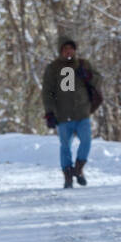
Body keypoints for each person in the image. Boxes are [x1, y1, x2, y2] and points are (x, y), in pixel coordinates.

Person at [41, 38, 101, 188]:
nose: (69, 51)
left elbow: (98, 80)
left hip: (82, 112)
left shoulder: (83, 64)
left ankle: (78, 168)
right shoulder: (53, 68)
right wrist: (49, 112)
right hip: (62, 114)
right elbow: (47, 92)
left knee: (86, 141)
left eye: (71, 48)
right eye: (65, 49)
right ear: (60, 51)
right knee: (65, 146)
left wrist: (89, 76)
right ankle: (68, 175)